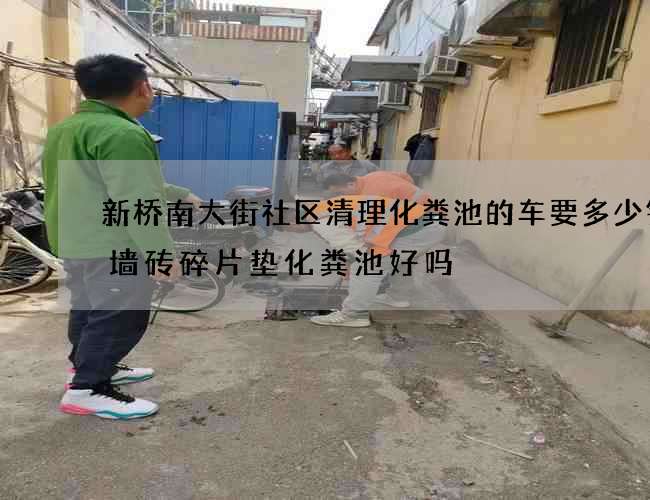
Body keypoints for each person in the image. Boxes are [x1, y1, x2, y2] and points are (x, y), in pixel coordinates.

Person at [43, 54, 201, 420]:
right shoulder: (123, 133)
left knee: (88, 310)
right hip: (111, 245)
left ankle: (84, 369)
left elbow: (100, 182)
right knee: (118, 317)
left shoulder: (65, 129)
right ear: (142, 88)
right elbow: (137, 200)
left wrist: (178, 193)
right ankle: (88, 389)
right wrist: (162, 255)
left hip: (74, 240)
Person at [309, 171, 446, 328]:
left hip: (420, 225)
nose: (339, 198)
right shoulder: (373, 176)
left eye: (339, 193)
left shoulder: (372, 193)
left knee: (368, 266)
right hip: (426, 221)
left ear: (350, 184)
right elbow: (405, 177)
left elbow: (370, 239)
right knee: (398, 260)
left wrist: (355, 261)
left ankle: (354, 315)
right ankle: (398, 297)